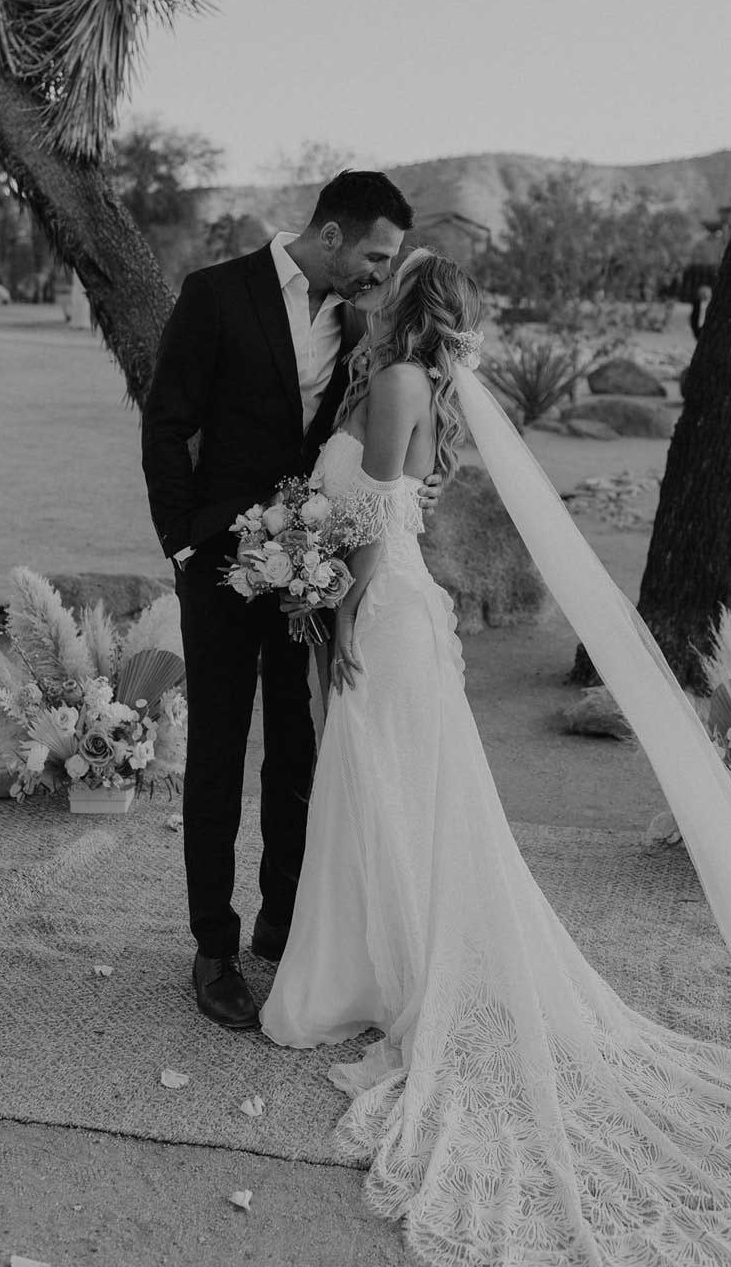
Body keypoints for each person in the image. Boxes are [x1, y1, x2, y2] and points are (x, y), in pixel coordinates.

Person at [260, 250, 731, 1266]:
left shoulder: (402, 381)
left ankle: (380, 974)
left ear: (402, 305)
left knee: (387, 788)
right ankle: (377, 966)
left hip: (385, 607)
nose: (367, 296)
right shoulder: (404, 381)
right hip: (390, 604)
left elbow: (379, 519)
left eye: (383, 286)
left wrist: (332, 611)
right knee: (383, 792)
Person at [141, 171, 446, 1032]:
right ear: (332, 234)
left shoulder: (355, 321)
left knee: (296, 748)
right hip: (219, 565)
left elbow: (357, 442)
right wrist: (183, 540)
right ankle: (212, 945)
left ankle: (282, 918)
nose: (378, 276)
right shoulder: (215, 295)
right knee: (217, 753)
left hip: (308, 572)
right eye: (374, 257)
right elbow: (166, 421)